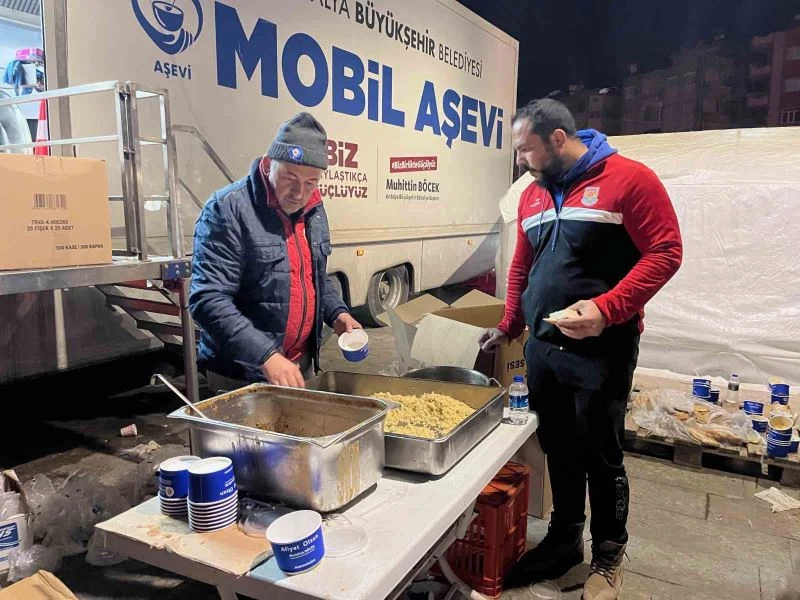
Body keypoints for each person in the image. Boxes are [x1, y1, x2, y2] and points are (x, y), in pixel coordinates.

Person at [479, 99, 682, 599]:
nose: (520, 159)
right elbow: (523, 267)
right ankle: (564, 541)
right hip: (544, 347)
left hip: (603, 350)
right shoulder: (532, 194)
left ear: (557, 139)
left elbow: (666, 251)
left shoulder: (629, 180)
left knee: (600, 454)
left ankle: (608, 556)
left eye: (525, 149)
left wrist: (608, 309)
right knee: (558, 447)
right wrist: (509, 324)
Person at [190, 112, 361, 391]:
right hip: (242, 373)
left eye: (310, 183)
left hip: (297, 366)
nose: (299, 193)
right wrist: (266, 355)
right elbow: (208, 299)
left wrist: (338, 313)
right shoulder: (227, 209)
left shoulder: (313, 210)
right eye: (290, 178)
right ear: (269, 164)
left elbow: (314, 278)